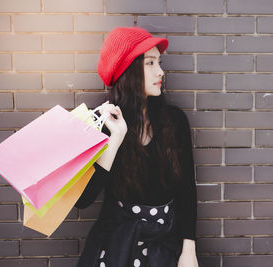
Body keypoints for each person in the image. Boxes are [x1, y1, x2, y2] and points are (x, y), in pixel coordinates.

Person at [75, 27, 199, 267]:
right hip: (116, 245)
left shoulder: (173, 121)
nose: (160, 71)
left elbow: (187, 190)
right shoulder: (104, 123)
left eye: (159, 62)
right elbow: (83, 200)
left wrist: (189, 251)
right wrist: (115, 138)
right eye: (150, 63)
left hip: (165, 245)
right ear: (128, 71)